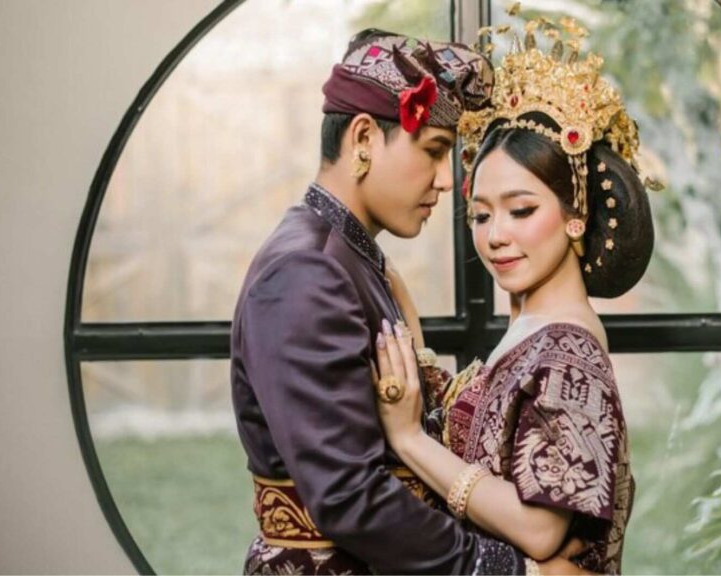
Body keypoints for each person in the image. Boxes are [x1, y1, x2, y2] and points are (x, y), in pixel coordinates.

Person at [230, 28, 586, 575]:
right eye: (435, 152)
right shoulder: (305, 272)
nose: (448, 182)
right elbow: (349, 496)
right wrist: (508, 571)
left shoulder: (347, 256)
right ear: (364, 139)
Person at [372, 14, 656, 575]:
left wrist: (408, 440)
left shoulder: (569, 355)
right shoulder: (532, 333)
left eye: (522, 210)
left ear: (576, 216)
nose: (496, 234)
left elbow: (540, 528)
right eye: (480, 215)